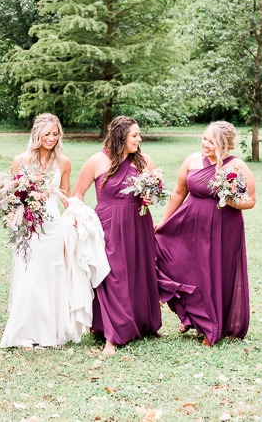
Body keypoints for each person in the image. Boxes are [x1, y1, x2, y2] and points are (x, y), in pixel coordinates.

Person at [0, 113, 109, 348]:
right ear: (37, 134)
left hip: (53, 226)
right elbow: (12, 195)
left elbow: (65, 194)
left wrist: (77, 215)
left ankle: (50, 332)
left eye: (55, 134)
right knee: (29, 276)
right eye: (47, 134)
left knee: (53, 276)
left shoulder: (63, 162)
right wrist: (18, 212)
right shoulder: (20, 161)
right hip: (29, 226)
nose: (51, 138)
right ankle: (25, 332)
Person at [154, 121, 255, 346]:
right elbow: (178, 192)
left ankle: (213, 325)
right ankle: (192, 315)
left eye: (212, 142)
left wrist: (231, 200)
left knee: (215, 273)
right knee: (185, 266)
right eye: (205, 139)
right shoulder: (192, 160)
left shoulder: (237, 166)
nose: (206, 144)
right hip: (190, 224)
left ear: (224, 144)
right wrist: (164, 221)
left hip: (224, 227)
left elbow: (251, 200)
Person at [72, 116, 161, 355]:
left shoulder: (144, 161)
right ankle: (112, 333)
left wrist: (152, 197)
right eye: (135, 135)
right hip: (108, 225)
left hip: (138, 223)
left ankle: (143, 323)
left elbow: (156, 193)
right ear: (121, 136)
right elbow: (78, 193)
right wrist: (78, 217)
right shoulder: (97, 161)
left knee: (139, 272)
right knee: (112, 274)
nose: (139, 139)